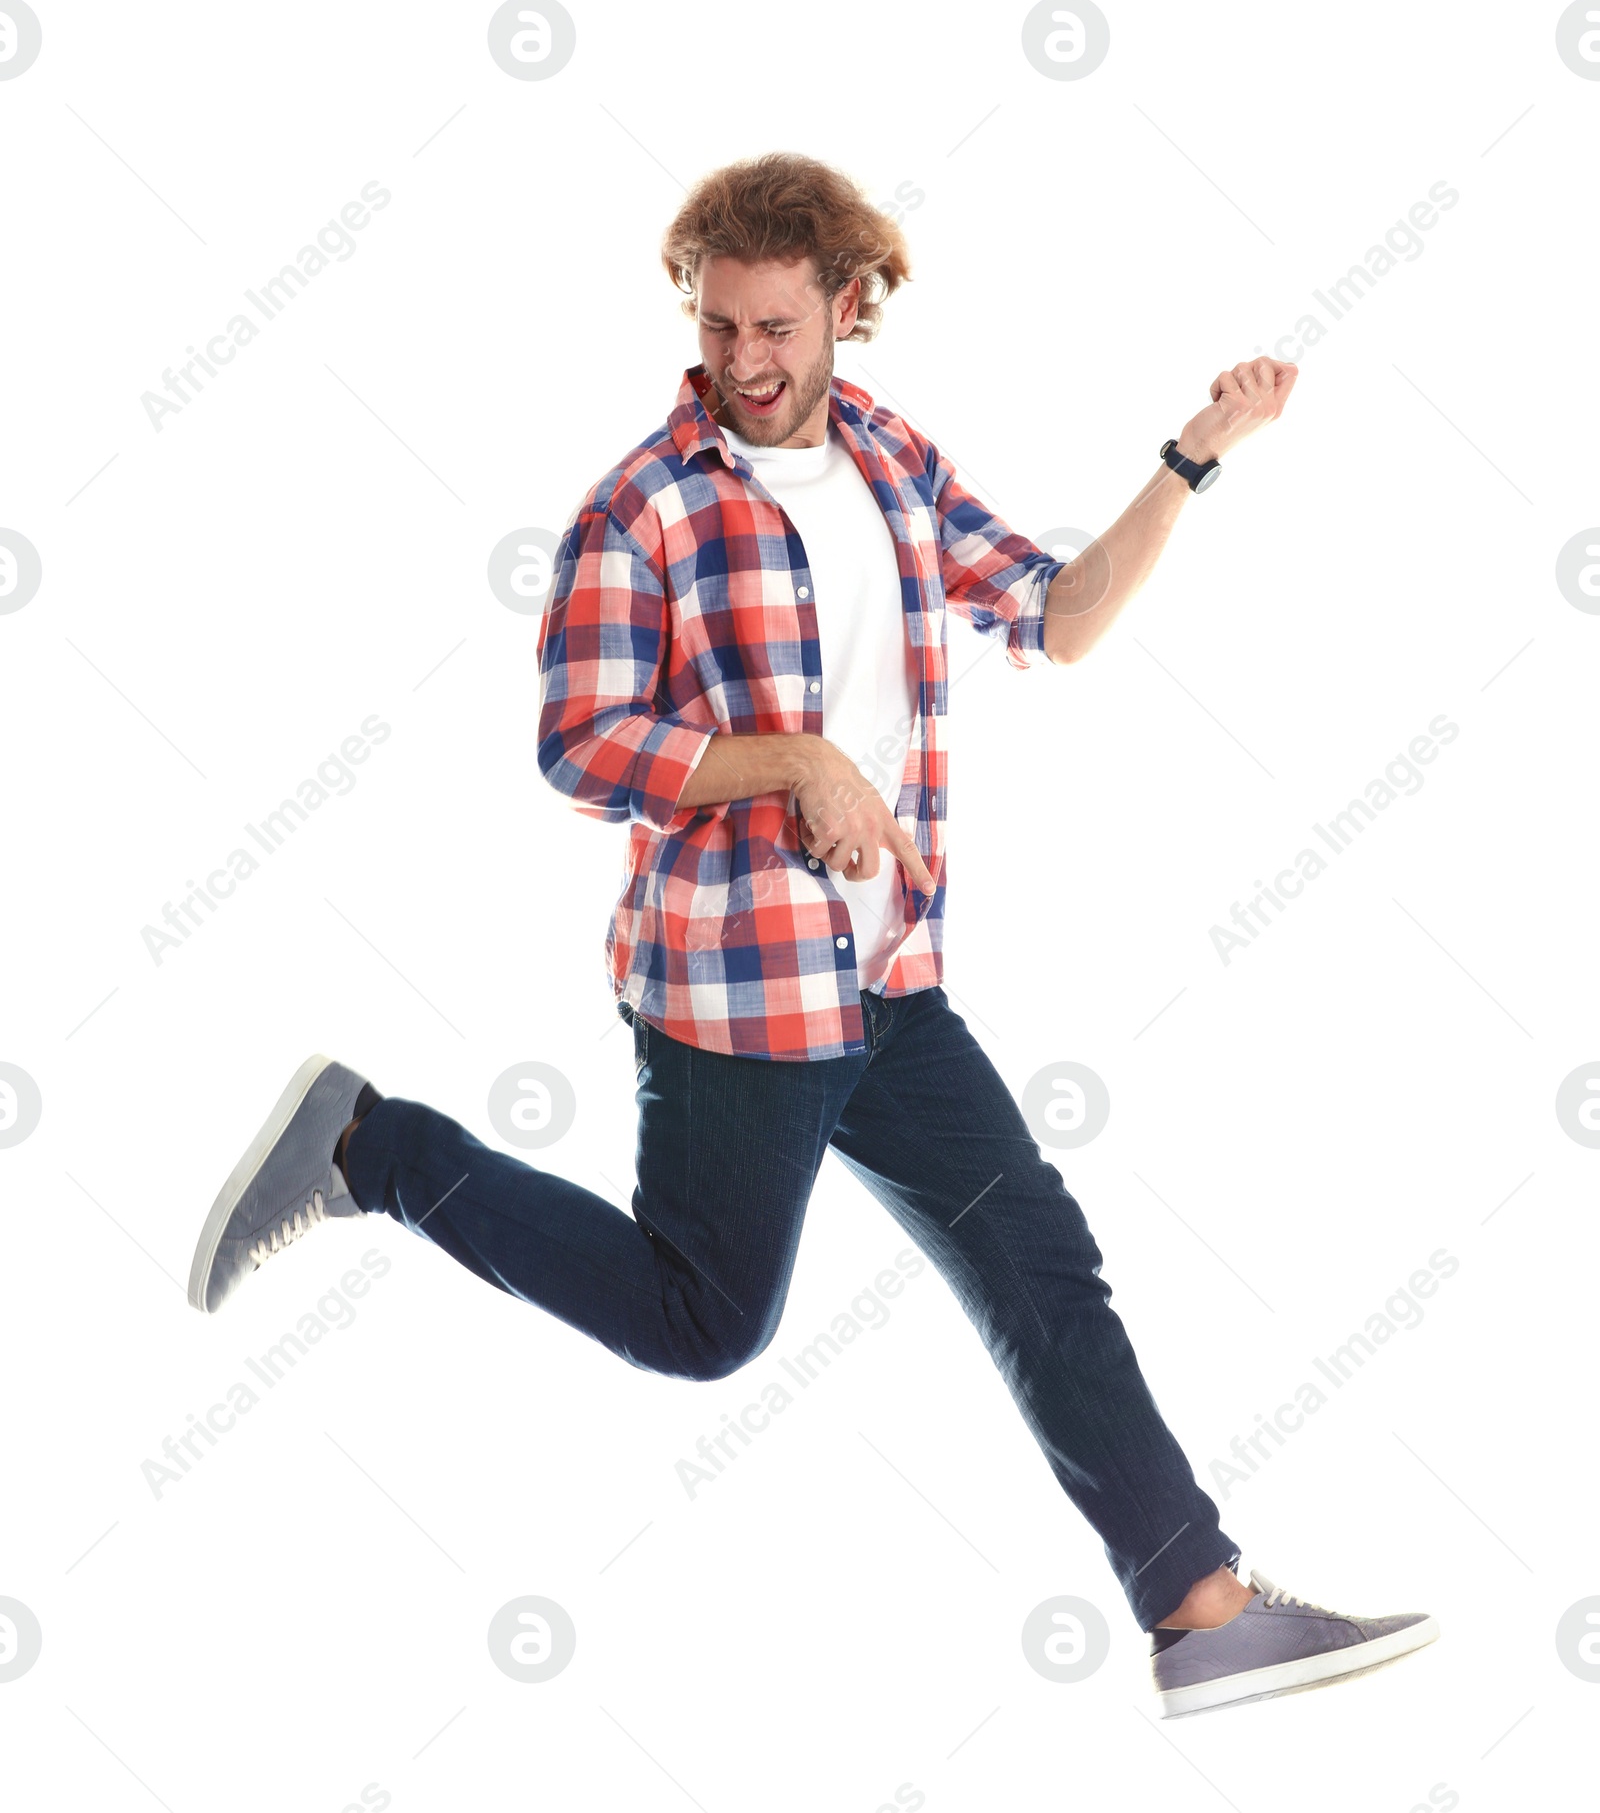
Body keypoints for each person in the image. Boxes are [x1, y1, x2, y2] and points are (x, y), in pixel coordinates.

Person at [188, 152, 1437, 1718]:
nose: (745, 361)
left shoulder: (892, 459)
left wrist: (1191, 458)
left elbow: (1055, 615)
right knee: (702, 1329)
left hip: (889, 980)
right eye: (720, 325)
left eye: (777, 325)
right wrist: (794, 762)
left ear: (851, 307)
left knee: (1043, 1265)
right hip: (738, 1000)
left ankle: (1201, 1616)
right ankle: (375, 1149)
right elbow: (578, 748)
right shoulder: (643, 506)